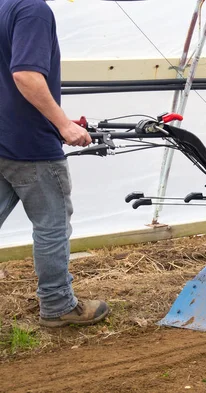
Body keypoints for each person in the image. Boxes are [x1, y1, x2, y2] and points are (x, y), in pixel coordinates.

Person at [0, 0, 110, 327]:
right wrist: (62, 124)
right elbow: (25, 76)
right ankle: (58, 303)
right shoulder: (33, 9)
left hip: (3, 137)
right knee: (52, 224)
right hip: (30, 145)